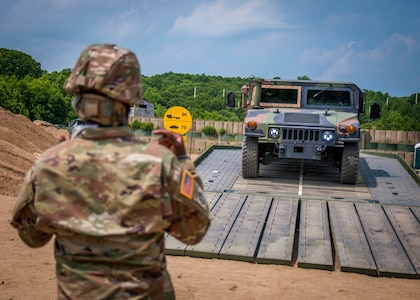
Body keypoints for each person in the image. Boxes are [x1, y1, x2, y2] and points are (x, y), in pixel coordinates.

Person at [10, 43, 211, 299]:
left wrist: (54, 163)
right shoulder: (160, 162)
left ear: (77, 96)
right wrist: (182, 161)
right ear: (131, 99)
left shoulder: (50, 164)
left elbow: (31, 237)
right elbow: (194, 231)